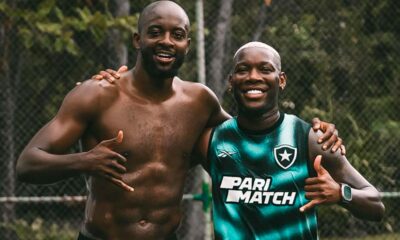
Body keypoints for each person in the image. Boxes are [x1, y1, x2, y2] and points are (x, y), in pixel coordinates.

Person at [16, 1, 342, 240]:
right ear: (137, 39)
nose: (167, 42)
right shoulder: (97, 95)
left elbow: (252, 141)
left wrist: (316, 136)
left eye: (178, 34)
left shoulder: (199, 102)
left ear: (187, 43)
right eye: (155, 32)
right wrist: (85, 160)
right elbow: (28, 164)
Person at [191, 42, 385, 239]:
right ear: (231, 82)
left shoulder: (309, 139)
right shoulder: (212, 140)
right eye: (243, 70)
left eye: (265, 69)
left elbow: (376, 205)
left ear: (281, 80)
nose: (253, 77)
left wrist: (340, 193)